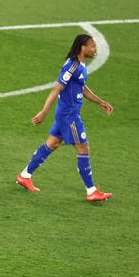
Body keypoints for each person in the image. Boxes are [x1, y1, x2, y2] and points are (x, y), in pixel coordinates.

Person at [16, 34, 114, 201]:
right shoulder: (72, 66)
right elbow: (56, 88)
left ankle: (25, 175)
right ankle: (91, 191)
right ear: (83, 48)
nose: (95, 49)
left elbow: (81, 87)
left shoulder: (80, 65)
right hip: (69, 116)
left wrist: (100, 102)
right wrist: (44, 112)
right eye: (92, 46)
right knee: (83, 148)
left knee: (52, 144)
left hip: (65, 113)